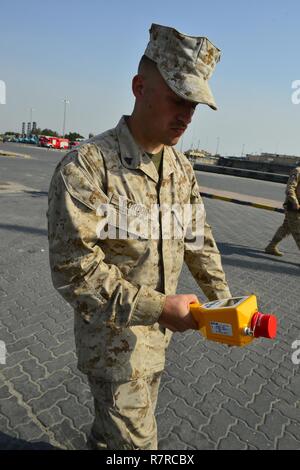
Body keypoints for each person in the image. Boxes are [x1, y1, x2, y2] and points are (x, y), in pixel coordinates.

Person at [47, 23, 231, 450]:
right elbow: (74, 271)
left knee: (113, 442)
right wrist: (158, 306)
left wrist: (224, 303)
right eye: (177, 99)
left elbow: (197, 238)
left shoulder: (181, 167)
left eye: (194, 105)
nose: (186, 114)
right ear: (139, 87)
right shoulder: (88, 166)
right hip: (113, 346)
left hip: (157, 342)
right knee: (138, 449)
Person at [265, 166, 300, 256]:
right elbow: (290, 188)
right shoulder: (298, 171)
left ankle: (271, 247)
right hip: (294, 207)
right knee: (298, 231)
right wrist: (295, 202)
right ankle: (271, 247)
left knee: (286, 228)